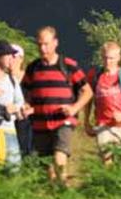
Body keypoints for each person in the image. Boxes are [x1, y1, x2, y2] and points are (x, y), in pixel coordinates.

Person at [20, 26, 92, 185]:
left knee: (60, 154)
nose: (42, 48)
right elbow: (25, 91)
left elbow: (87, 91)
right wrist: (25, 105)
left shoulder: (68, 65)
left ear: (55, 43)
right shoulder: (33, 68)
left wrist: (74, 108)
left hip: (63, 120)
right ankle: (55, 194)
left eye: (46, 44)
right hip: (40, 122)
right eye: (39, 44)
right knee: (46, 164)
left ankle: (63, 186)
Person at [10, 43, 34, 156]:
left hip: (26, 121)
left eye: (14, 56)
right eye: (8, 56)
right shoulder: (2, 79)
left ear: (21, 58)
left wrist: (30, 107)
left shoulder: (29, 78)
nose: (11, 59)